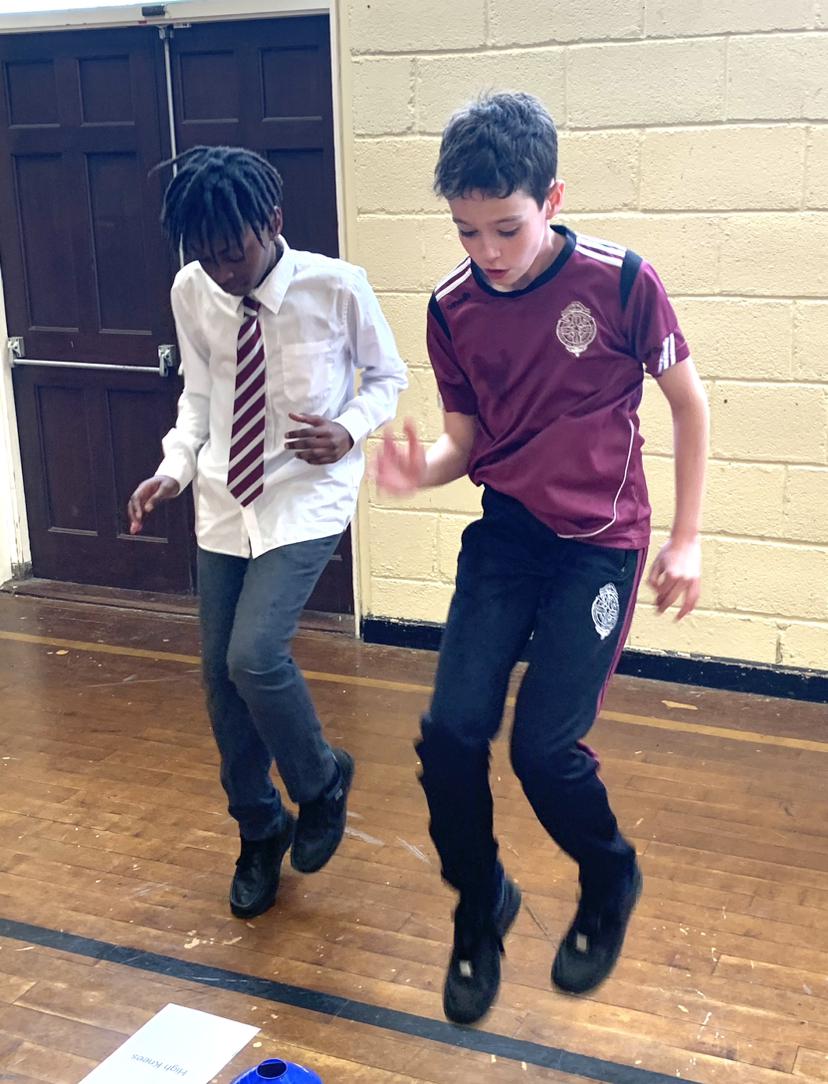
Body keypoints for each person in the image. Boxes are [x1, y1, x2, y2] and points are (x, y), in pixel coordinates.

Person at [375, 92, 709, 1025]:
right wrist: (420, 472)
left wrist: (684, 540)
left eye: (506, 228)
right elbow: (463, 443)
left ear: (552, 199)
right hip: (509, 537)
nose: (486, 251)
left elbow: (689, 406)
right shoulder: (451, 307)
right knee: (450, 734)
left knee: (543, 750)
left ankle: (609, 876)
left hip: (598, 548)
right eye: (466, 230)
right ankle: (480, 902)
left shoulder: (622, 282)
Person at [128, 145, 407, 920]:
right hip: (223, 500)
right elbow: (200, 395)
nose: (223, 271)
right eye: (206, 255)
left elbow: (388, 378)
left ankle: (321, 780)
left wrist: (349, 429)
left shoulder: (336, 286)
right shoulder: (192, 290)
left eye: (235, 252)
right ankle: (260, 829)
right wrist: (173, 469)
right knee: (220, 683)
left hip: (306, 498)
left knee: (254, 655)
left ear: (273, 222)